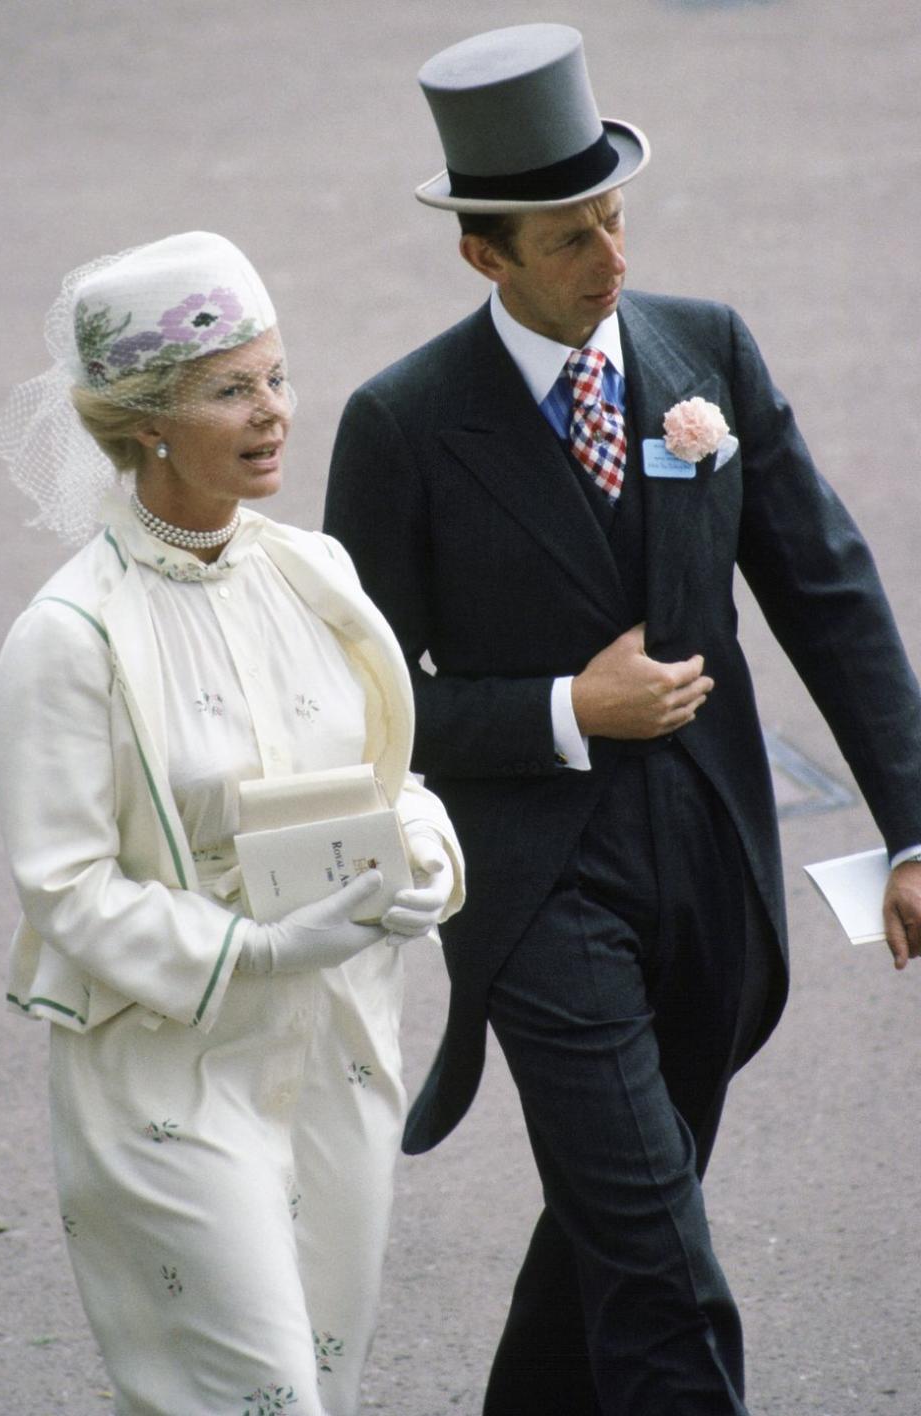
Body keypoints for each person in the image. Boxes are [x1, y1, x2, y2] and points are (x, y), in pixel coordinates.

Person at [323, 23, 921, 1416]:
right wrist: (561, 709)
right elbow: (358, 709)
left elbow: (830, 592)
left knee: (618, 1232)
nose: (613, 259)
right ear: (485, 254)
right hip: (535, 891)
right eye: (571, 239)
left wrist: (912, 828)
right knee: (664, 1270)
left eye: (617, 217)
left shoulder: (704, 349)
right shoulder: (401, 424)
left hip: (714, 866)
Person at [0, 230, 464, 1416]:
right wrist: (253, 950)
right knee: (259, 1399)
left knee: (326, 1384)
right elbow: (66, 886)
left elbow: (392, 779)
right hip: (166, 1075)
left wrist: (426, 860)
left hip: (338, 1053)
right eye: (230, 390)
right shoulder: (69, 635)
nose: (274, 414)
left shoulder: (316, 573)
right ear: (146, 419)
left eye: (278, 377)